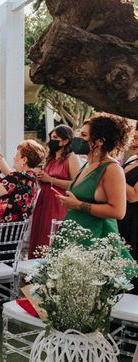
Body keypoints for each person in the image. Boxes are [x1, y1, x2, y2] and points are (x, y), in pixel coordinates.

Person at [57, 113, 131, 240]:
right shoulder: (86, 164)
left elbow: (118, 211)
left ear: (100, 141)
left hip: (95, 238)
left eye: (84, 135)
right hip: (73, 237)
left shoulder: (112, 169)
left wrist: (78, 205)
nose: (78, 138)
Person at [27, 125, 81, 257]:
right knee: (40, 232)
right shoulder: (50, 158)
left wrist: (51, 179)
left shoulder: (72, 158)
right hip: (44, 200)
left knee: (51, 235)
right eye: (51, 137)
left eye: (55, 138)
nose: (52, 140)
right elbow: (44, 181)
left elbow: (76, 185)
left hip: (59, 202)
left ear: (65, 141)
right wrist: (40, 177)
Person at [0, 140, 45, 225]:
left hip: (2, 227)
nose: (14, 158)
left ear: (24, 160)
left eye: (17, 155)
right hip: (16, 227)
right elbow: (9, 190)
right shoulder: (31, 178)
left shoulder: (16, 176)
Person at [118, 128, 138, 263]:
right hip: (121, 215)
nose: (134, 142)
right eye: (134, 138)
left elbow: (134, 196)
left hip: (135, 221)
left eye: (137, 139)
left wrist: (115, 178)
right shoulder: (132, 159)